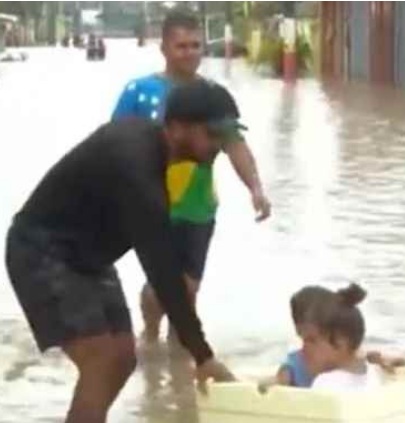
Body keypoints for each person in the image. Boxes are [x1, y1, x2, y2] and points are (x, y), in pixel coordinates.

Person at [4, 79, 266, 423]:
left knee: (123, 358)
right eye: (212, 134)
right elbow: (162, 270)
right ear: (175, 128)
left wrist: (198, 351)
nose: (218, 145)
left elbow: (163, 266)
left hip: (90, 259)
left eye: (226, 136)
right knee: (101, 358)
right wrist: (202, 355)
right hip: (41, 250)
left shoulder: (159, 156)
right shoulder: (136, 167)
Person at [111, 9, 271, 343]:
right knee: (160, 286)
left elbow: (235, 146)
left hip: (198, 208)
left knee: (189, 286)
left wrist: (256, 188)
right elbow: (114, 145)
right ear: (165, 48)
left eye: (196, 45)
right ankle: (151, 337)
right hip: (153, 205)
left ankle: (178, 344)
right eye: (181, 46)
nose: (190, 53)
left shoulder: (214, 98)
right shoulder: (139, 92)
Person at [303, 284, 383, 391]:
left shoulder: (325, 383)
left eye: (311, 341)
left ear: (340, 342)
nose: (304, 348)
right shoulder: (373, 373)